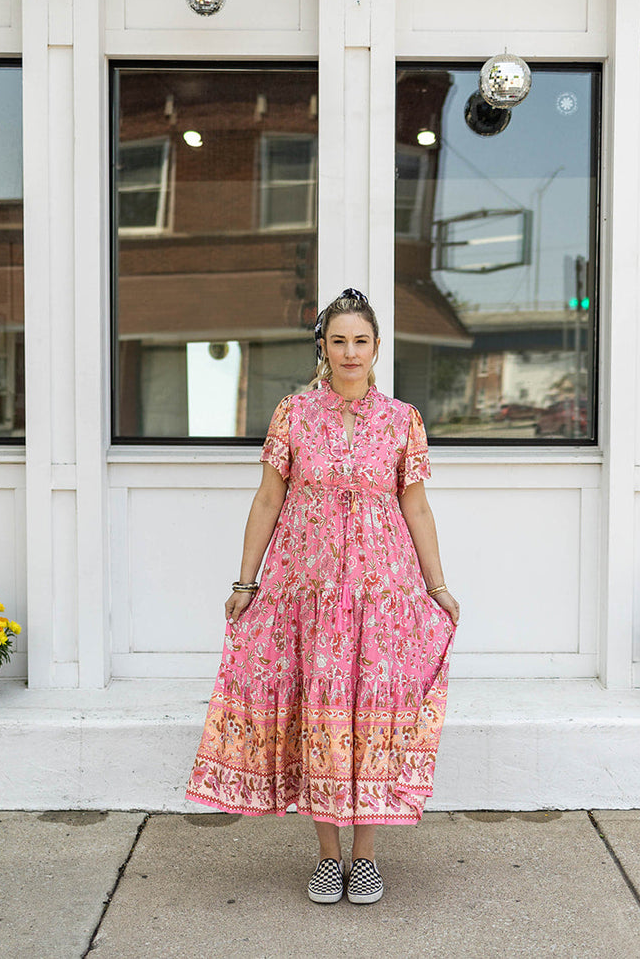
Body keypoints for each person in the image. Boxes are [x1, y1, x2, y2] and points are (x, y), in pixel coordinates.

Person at [185, 287, 460, 907]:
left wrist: (437, 586)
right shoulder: (293, 414)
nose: (350, 351)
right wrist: (245, 580)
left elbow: (415, 504)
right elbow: (267, 499)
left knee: (370, 718)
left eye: (361, 340)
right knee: (319, 717)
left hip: (381, 593)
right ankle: (327, 857)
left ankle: (364, 857)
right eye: (339, 340)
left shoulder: (403, 419)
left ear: (377, 347)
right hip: (305, 593)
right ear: (323, 347)